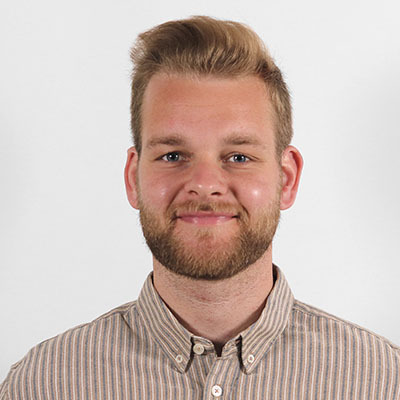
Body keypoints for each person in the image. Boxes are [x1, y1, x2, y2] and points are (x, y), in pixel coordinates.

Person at [1, 16, 399, 400]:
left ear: (287, 179)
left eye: (239, 157)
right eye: (173, 155)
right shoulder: (43, 385)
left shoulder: (382, 382)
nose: (205, 184)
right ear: (133, 178)